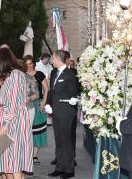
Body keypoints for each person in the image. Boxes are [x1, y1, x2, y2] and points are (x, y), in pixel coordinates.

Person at [0, 47, 33, 179]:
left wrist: (5, 124)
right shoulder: (13, 75)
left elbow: (13, 104)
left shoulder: (15, 76)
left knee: (14, 162)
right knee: (8, 160)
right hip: (12, 119)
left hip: (13, 122)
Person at [46, 50, 78, 179]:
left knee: (66, 141)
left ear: (58, 59)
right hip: (56, 113)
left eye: (53, 58)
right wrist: (48, 103)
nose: (51, 61)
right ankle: (59, 167)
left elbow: (73, 93)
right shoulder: (55, 73)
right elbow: (52, 91)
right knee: (58, 141)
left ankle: (69, 170)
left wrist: (73, 99)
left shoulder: (69, 74)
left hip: (66, 113)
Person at [23, 55, 48, 165]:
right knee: (26, 130)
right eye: (26, 64)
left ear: (34, 63)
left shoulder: (40, 74)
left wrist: (43, 102)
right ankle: (26, 154)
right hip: (26, 104)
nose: (29, 66)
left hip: (38, 104)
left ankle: (35, 156)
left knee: (37, 131)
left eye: (30, 63)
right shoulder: (22, 75)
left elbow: (46, 89)